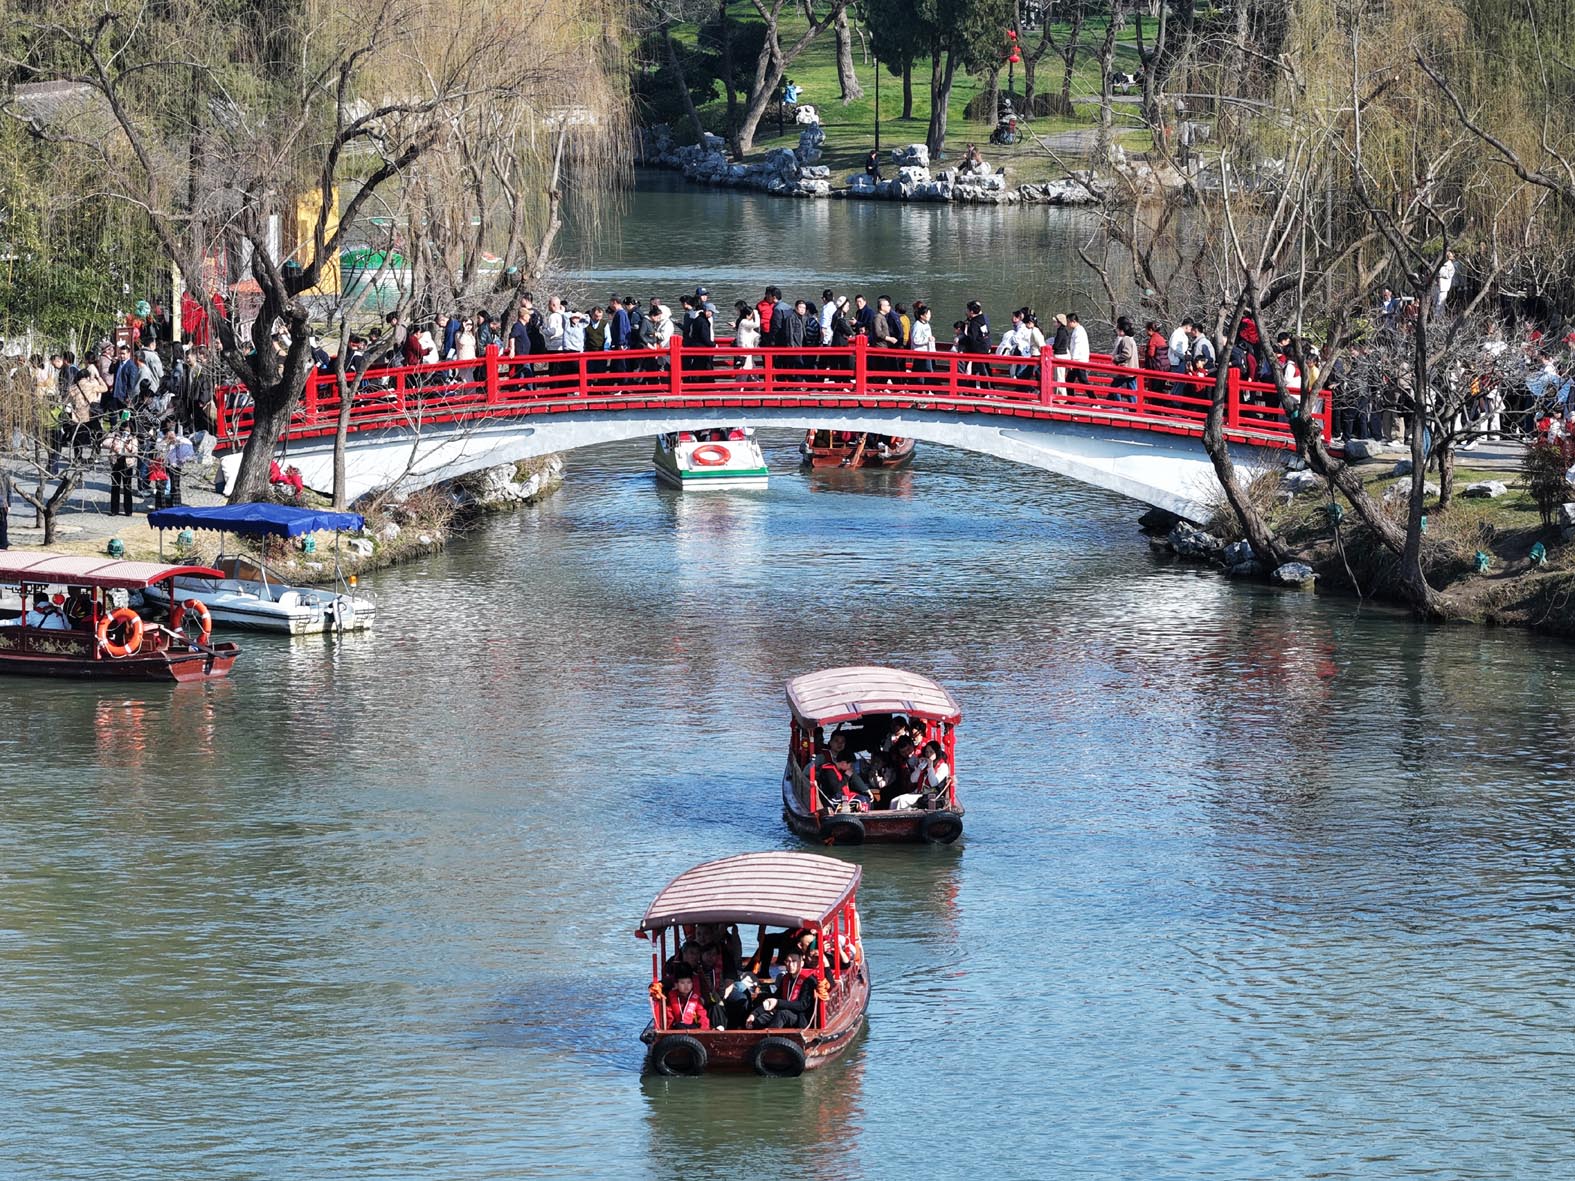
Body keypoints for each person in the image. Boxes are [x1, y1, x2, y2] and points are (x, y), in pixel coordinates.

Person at [745, 949, 824, 1030]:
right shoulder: (786, 979)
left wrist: (778, 1003)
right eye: (788, 961)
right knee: (761, 1013)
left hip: (801, 1018)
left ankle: (770, 1036)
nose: (790, 965)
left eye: (794, 961)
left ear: (801, 963)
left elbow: (803, 1005)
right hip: (785, 1011)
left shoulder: (809, 980)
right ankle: (748, 1029)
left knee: (782, 1014)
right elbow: (776, 997)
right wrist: (754, 1014)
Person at [1110, 316, 1139, 402]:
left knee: (1115, 386)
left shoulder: (1126, 339)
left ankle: (1118, 404)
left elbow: (1127, 354)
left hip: (1126, 368)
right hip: (1131, 368)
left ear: (1122, 330)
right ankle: (1133, 406)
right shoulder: (1130, 339)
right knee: (1131, 388)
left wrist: (1116, 358)